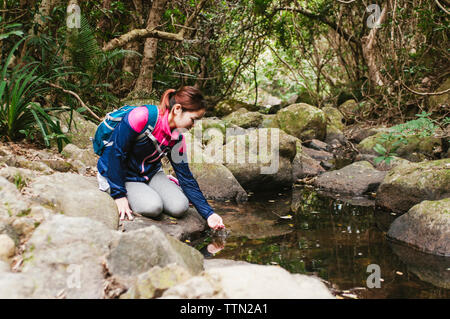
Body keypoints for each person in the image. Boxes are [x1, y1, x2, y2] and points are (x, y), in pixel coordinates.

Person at [96, 86, 225, 230]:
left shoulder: (177, 138)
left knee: (180, 207)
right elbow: (115, 153)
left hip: (149, 173)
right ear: (177, 109)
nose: (193, 125)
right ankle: (121, 188)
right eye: (193, 119)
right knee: (153, 207)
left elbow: (186, 178)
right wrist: (119, 195)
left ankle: (156, 186)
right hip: (121, 174)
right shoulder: (142, 117)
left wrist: (209, 214)